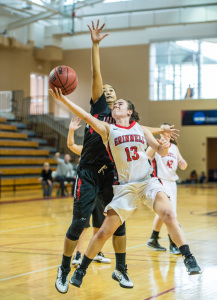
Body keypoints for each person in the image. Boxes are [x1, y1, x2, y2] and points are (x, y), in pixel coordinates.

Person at [52, 20, 180, 294]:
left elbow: (142, 130)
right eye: (105, 90)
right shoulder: (99, 109)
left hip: (112, 174)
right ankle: (64, 268)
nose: (108, 92)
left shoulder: (123, 120)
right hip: (87, 171)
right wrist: (95, 44)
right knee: (78, 223)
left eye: (113, 91)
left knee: (118, 224)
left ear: (120, 101)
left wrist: (163, 129)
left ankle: (121, 269)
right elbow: (96, 72)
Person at [49, 88, 201, 289]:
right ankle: (82, 269)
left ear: (129, 111)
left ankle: (188, 257)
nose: (116, 105)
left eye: (121, 103)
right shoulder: (107, 129)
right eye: (116, 104)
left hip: (147, 181)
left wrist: (164, 145)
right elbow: (85, 115)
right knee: (103, 232)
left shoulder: (140, 128)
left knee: (168, 214)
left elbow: (160, 151)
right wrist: (64, 101)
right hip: (125, 188)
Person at [67, 118, 111, 266]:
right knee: (83, 223)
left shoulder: (106, 149)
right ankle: (78, 254)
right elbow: (71, 144)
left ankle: (96, 252)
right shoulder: (86, 150)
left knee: (99, 221)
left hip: (100, 187)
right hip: (86, 185)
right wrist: (71, 130)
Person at [146, 123, 188, 255]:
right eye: (164, 130)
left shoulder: (174, 148)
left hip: (171, 182)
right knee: (171, 213)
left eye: (168, 130)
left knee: (164, 213)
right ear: (161, 132)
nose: (166, 132)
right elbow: (146, 156)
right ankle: (174, 245)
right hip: (159, 181)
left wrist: (183, 164)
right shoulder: (156, 144)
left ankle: (153, 239)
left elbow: (183, 165)